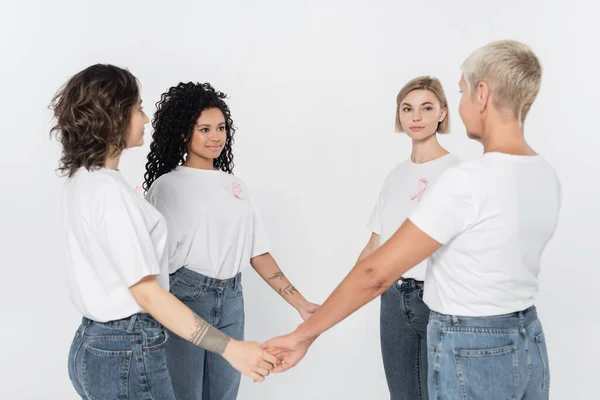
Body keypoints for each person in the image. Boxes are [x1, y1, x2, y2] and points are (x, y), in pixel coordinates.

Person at [262, 40, 560, 400]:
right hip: (526, 332)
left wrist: (302, 335)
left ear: (482, 94)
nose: (462, 104)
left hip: (470, 341)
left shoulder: (466, 180)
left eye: (463, 92)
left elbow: (375, 273)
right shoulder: (544, 173)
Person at [51, 64, 278, 400]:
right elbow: (148, 293)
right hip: (127, 348)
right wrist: (230, 348)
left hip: (94, 343)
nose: (145, 119)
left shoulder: (84, 180)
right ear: (112, 115)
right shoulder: (109, 192)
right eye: (138, 108)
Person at [143, 81, 318, 400]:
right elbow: (153, 262)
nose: (215, 137)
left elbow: (258, 252)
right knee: (185, 394)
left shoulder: (236, 186)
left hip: (232, 298)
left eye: (221, 128)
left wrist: (301, 303)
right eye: (205, 129)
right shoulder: (167, 187)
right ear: (185, 133)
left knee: (224, 394)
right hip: (186, 296)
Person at [357, 75, 460, 399]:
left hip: (440, 299)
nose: (416, 117)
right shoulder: (395, 177)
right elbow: (375, 246)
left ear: (442, 113)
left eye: (426, 108)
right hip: (393, 299)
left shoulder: (458, 173)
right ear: (399, 115)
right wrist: (336, 301)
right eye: (407, 108)